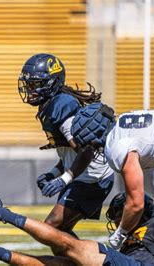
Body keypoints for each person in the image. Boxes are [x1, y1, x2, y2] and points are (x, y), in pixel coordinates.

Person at [18, 53, 114, 241]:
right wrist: (54, 173)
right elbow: (69, 153)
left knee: (51, 229)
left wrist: (64, 179)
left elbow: (86, 151)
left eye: (35, 84)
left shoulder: (61, 106)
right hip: (84, 176)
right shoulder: (52, 104)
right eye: (29, 84)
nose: (30, 89)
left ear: (52, 83)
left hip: (92, 179)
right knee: (60, 234)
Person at [0, 188, 154, 265]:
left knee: (73, 246)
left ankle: (2, 214)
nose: (117, 221)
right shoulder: (131, 237)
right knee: (63, 263)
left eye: (118, 213)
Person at [71, 103, 154, 250]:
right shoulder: (123, 120)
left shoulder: (116, 147)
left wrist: (120, 233)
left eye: (88, 143)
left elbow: (136, 204)